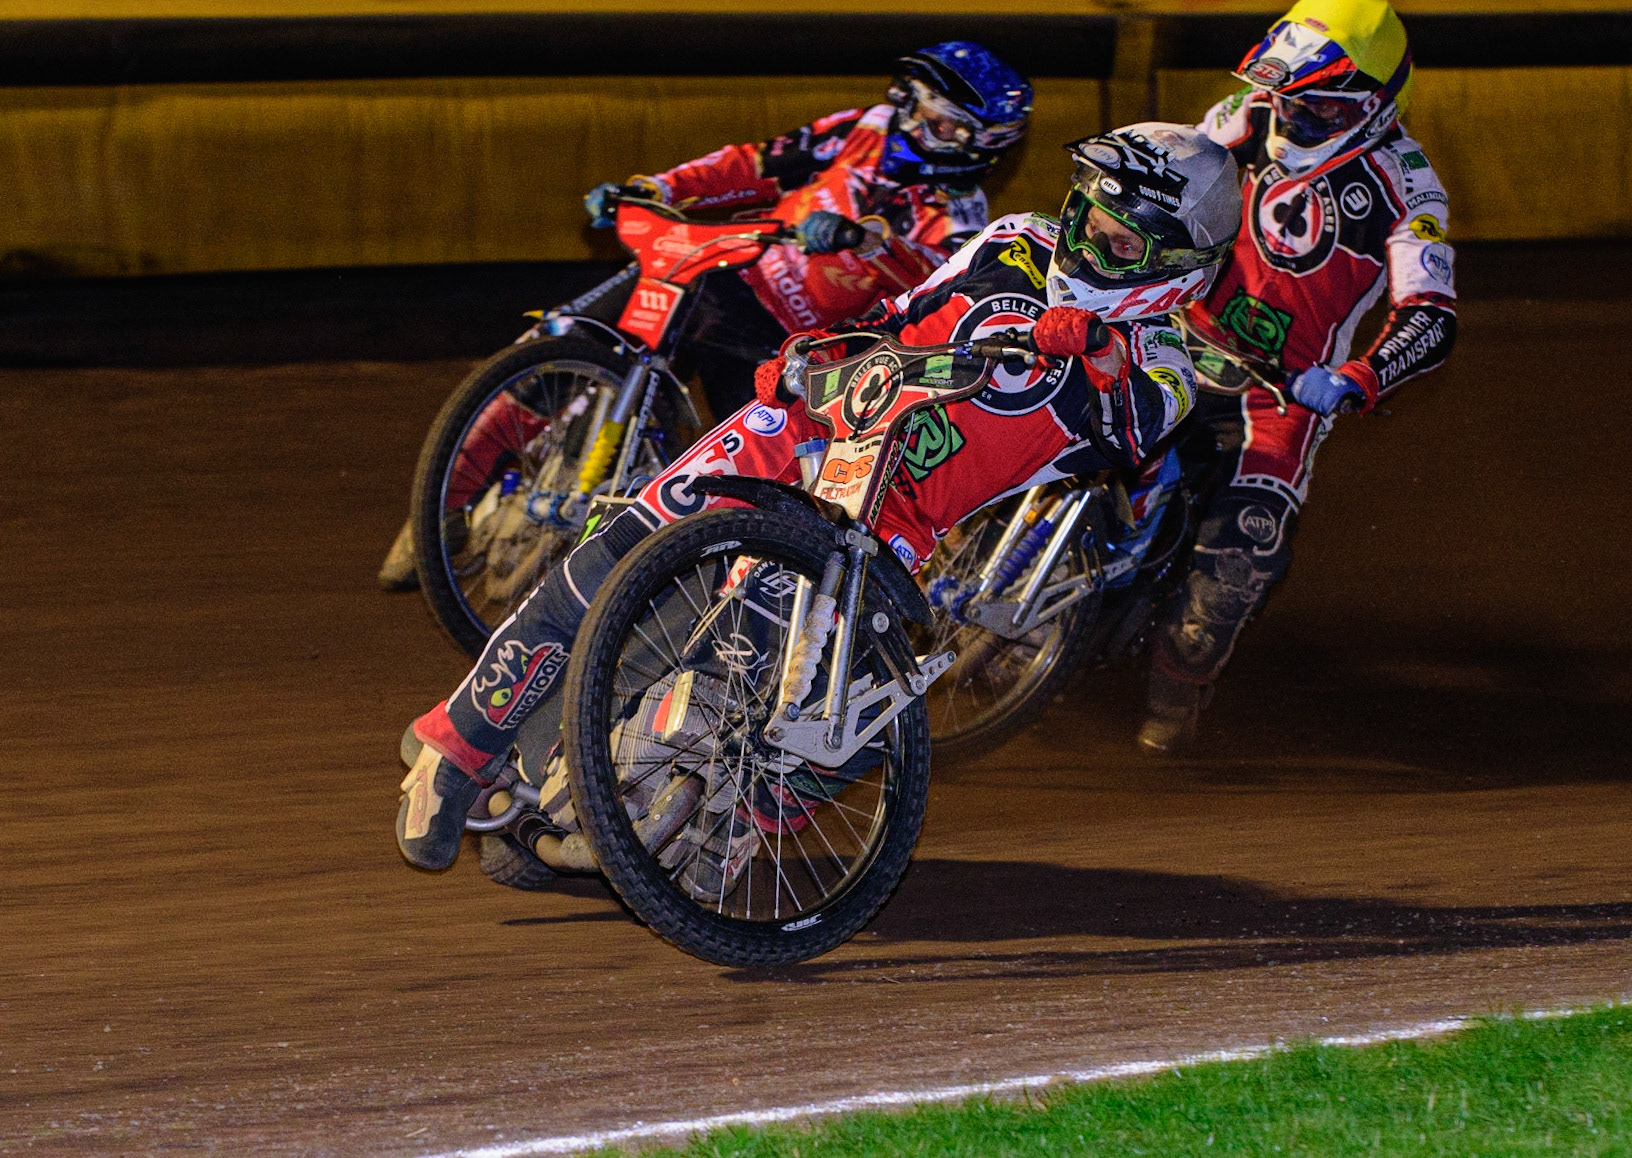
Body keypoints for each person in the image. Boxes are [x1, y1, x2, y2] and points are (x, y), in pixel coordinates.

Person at [395, 122, 1243, 871]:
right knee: (612, 556)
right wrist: (814, 351)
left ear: (1177, 261)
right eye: (1089, 218)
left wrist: (1098, 352)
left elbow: (1131, 426)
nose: (1089, 246)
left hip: (891, 515)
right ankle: (455, 745)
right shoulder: (1014, 240)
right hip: (801, 426)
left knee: (812, 695)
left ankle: (706, 824)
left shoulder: (1164, 358)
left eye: (1120, 242)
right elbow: (899, 311)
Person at [377, 42, 1032, 590]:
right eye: (915, 104)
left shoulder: (960, 225)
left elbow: (925, 301)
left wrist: (869, 244)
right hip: (719, 271)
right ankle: (443, 505)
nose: (914, 124)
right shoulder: (866, 128)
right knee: (555, 345)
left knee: (741, 482)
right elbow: (756, 164)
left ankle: (662, 589)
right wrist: (661, 186)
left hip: (782, 345)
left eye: (937, 121)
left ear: (980, 143)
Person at [1137, 0, 1459, 753]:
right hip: (1174, 333)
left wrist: (1355, 378)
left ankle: (1176, 691)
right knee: (1038, 402)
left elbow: (1431, 314)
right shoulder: (1244, 116)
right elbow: (1166, 179)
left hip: (1281, 390)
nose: (1292, 115)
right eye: (1286, 96)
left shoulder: (1408, 187)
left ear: (1374, 103)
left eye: (1317, 106)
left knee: (1237, 565)